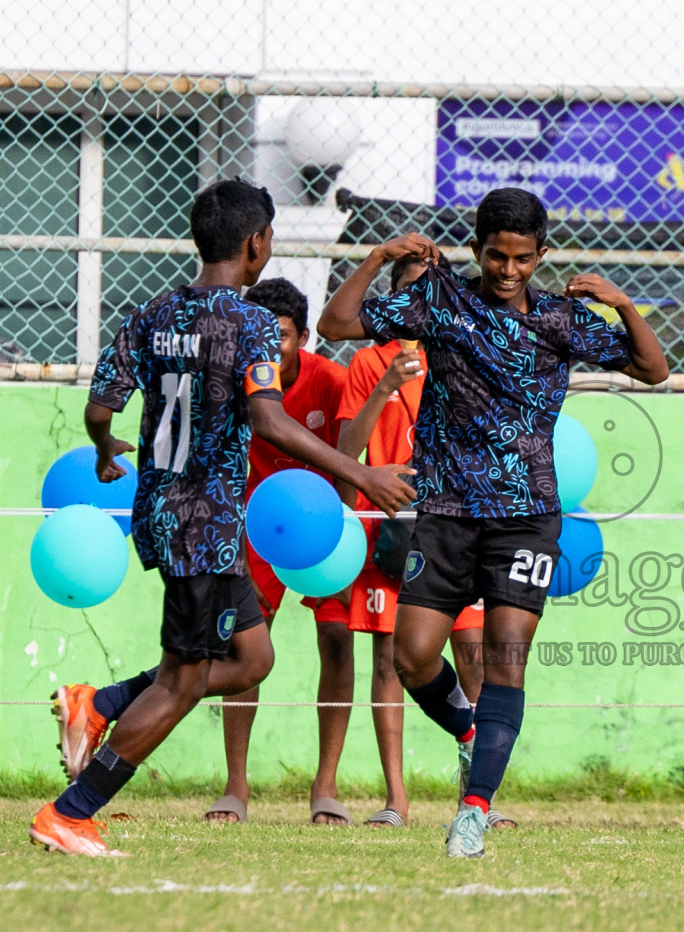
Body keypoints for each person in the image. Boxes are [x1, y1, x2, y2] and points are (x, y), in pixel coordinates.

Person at [31, 180, 415, 857]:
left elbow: (100, 407)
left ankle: (103, 703)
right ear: (256, 243)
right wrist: (359, 474)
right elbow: (268, 417)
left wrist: (102, 449)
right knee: (183, 679)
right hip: (202, 525)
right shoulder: (252, 324)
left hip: (172, 513)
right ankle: (72, 810)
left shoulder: (151, 312)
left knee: (252, 657)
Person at [318, 186, 669, 857]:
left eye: (523, 258)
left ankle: (474, 811)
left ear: (542, 254)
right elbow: (337, 326)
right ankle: (470, 735)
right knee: (411, 654)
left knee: (506, 658)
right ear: (477, 250)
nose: (509, 270)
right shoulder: (442, 299)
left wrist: (622, 305)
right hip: (448, 511)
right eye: (497, 256)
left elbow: (653, 369)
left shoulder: (565, 320)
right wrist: (377, 256)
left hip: (526, 517)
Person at [333, 254, 509, 830]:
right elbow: (347, 451)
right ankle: (396, 800)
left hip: (457, 521)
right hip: (391, 527)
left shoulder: (465, 347)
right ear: (391, 299)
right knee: (390, 659)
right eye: (408, 290)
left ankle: (476, 797)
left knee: (474, 655)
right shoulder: (368, 359)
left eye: (429, 289)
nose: (419, 300)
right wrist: (386, 385)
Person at [199, 277, 356, 826]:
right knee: (242, 651)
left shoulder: (331, 381)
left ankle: (326, 785)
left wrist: (344, 519)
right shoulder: (236, 381)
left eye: (282, 336)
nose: (270, 345)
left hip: (324, 530)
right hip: (257, 529)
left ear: (305, 337)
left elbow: (351, 450)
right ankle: (236, 787)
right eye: (260, 333)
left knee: (337, 639)